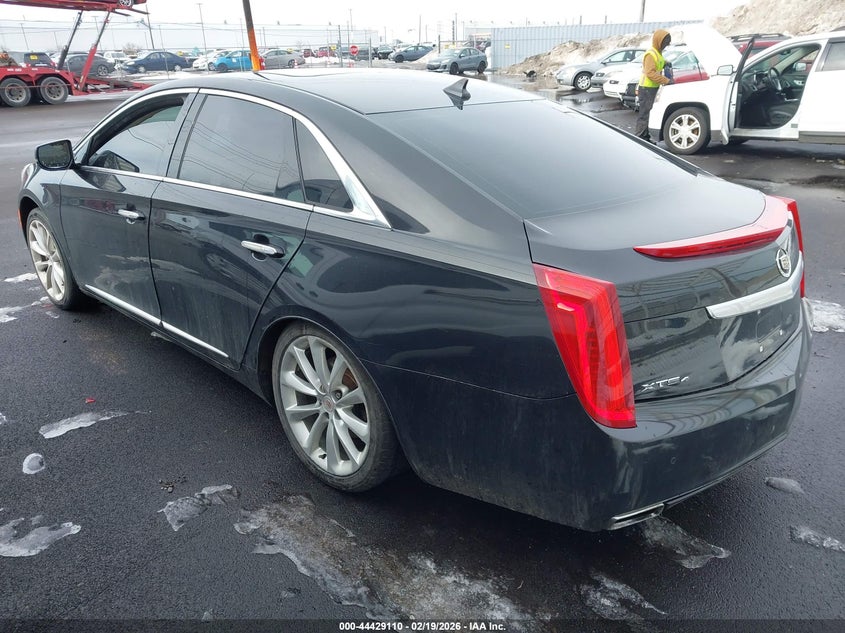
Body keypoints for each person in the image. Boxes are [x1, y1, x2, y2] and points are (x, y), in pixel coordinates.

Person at [634, 29, 672, 143]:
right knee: (644, 114)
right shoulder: (651, 54)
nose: (667, 44)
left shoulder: (658, 53)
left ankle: (644, 136)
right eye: (666, 41)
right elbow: (650, 73)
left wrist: (666, 62)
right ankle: (640, 138)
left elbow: (659, 62)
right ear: (659, 40)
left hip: (651, 88)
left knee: (648, 112)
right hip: (646, 88)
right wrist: (666, 80)